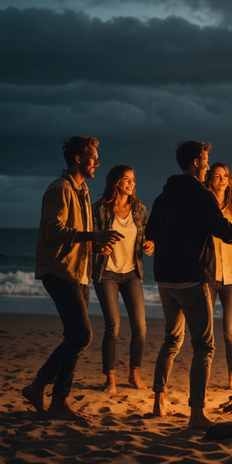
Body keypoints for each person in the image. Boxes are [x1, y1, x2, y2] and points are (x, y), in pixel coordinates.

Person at [145, 140, 232, 428]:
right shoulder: (200, 195)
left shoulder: (163, 196)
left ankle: (159, 402)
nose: (208, 165)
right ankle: (197, 414)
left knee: (172, 340)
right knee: (204, 346)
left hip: (165, 280)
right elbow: (224, 231)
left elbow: (150, 232)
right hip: (193, 279)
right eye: (205, 160)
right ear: (196, 162)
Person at [22, 136, 124, 420]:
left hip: (79, 273)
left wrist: (95, 243)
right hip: (59, 270)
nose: (97, 162)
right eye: (93, 157)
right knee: (82, 334)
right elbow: (53, 231)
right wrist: (93, 236)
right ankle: (58, 401)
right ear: (78, 158)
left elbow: (78, 232)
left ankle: (37, 387)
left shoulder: (83, 189)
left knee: (74, 335)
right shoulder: (60, 189)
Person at [92, 165, 155, 394]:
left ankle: (133, 372)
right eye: (126, 179)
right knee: (113, 326)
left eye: (133, 179)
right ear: (116, 182)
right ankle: (110, 378)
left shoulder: (139, 209)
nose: (131, 183)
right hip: (106, 273)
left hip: (131, 273)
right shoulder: (99, 210)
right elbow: (90, 240)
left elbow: (149, 237)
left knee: (140, 327)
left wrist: (150, 245)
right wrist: (98, 246)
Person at [205, 163, 232, 391]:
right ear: (210, 179)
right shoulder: (204, 202)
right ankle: (202, 376)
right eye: (217, 176)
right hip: (209, 273)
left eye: (225, 175)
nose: (222, 179)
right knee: (206, 331)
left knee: (230, 332)